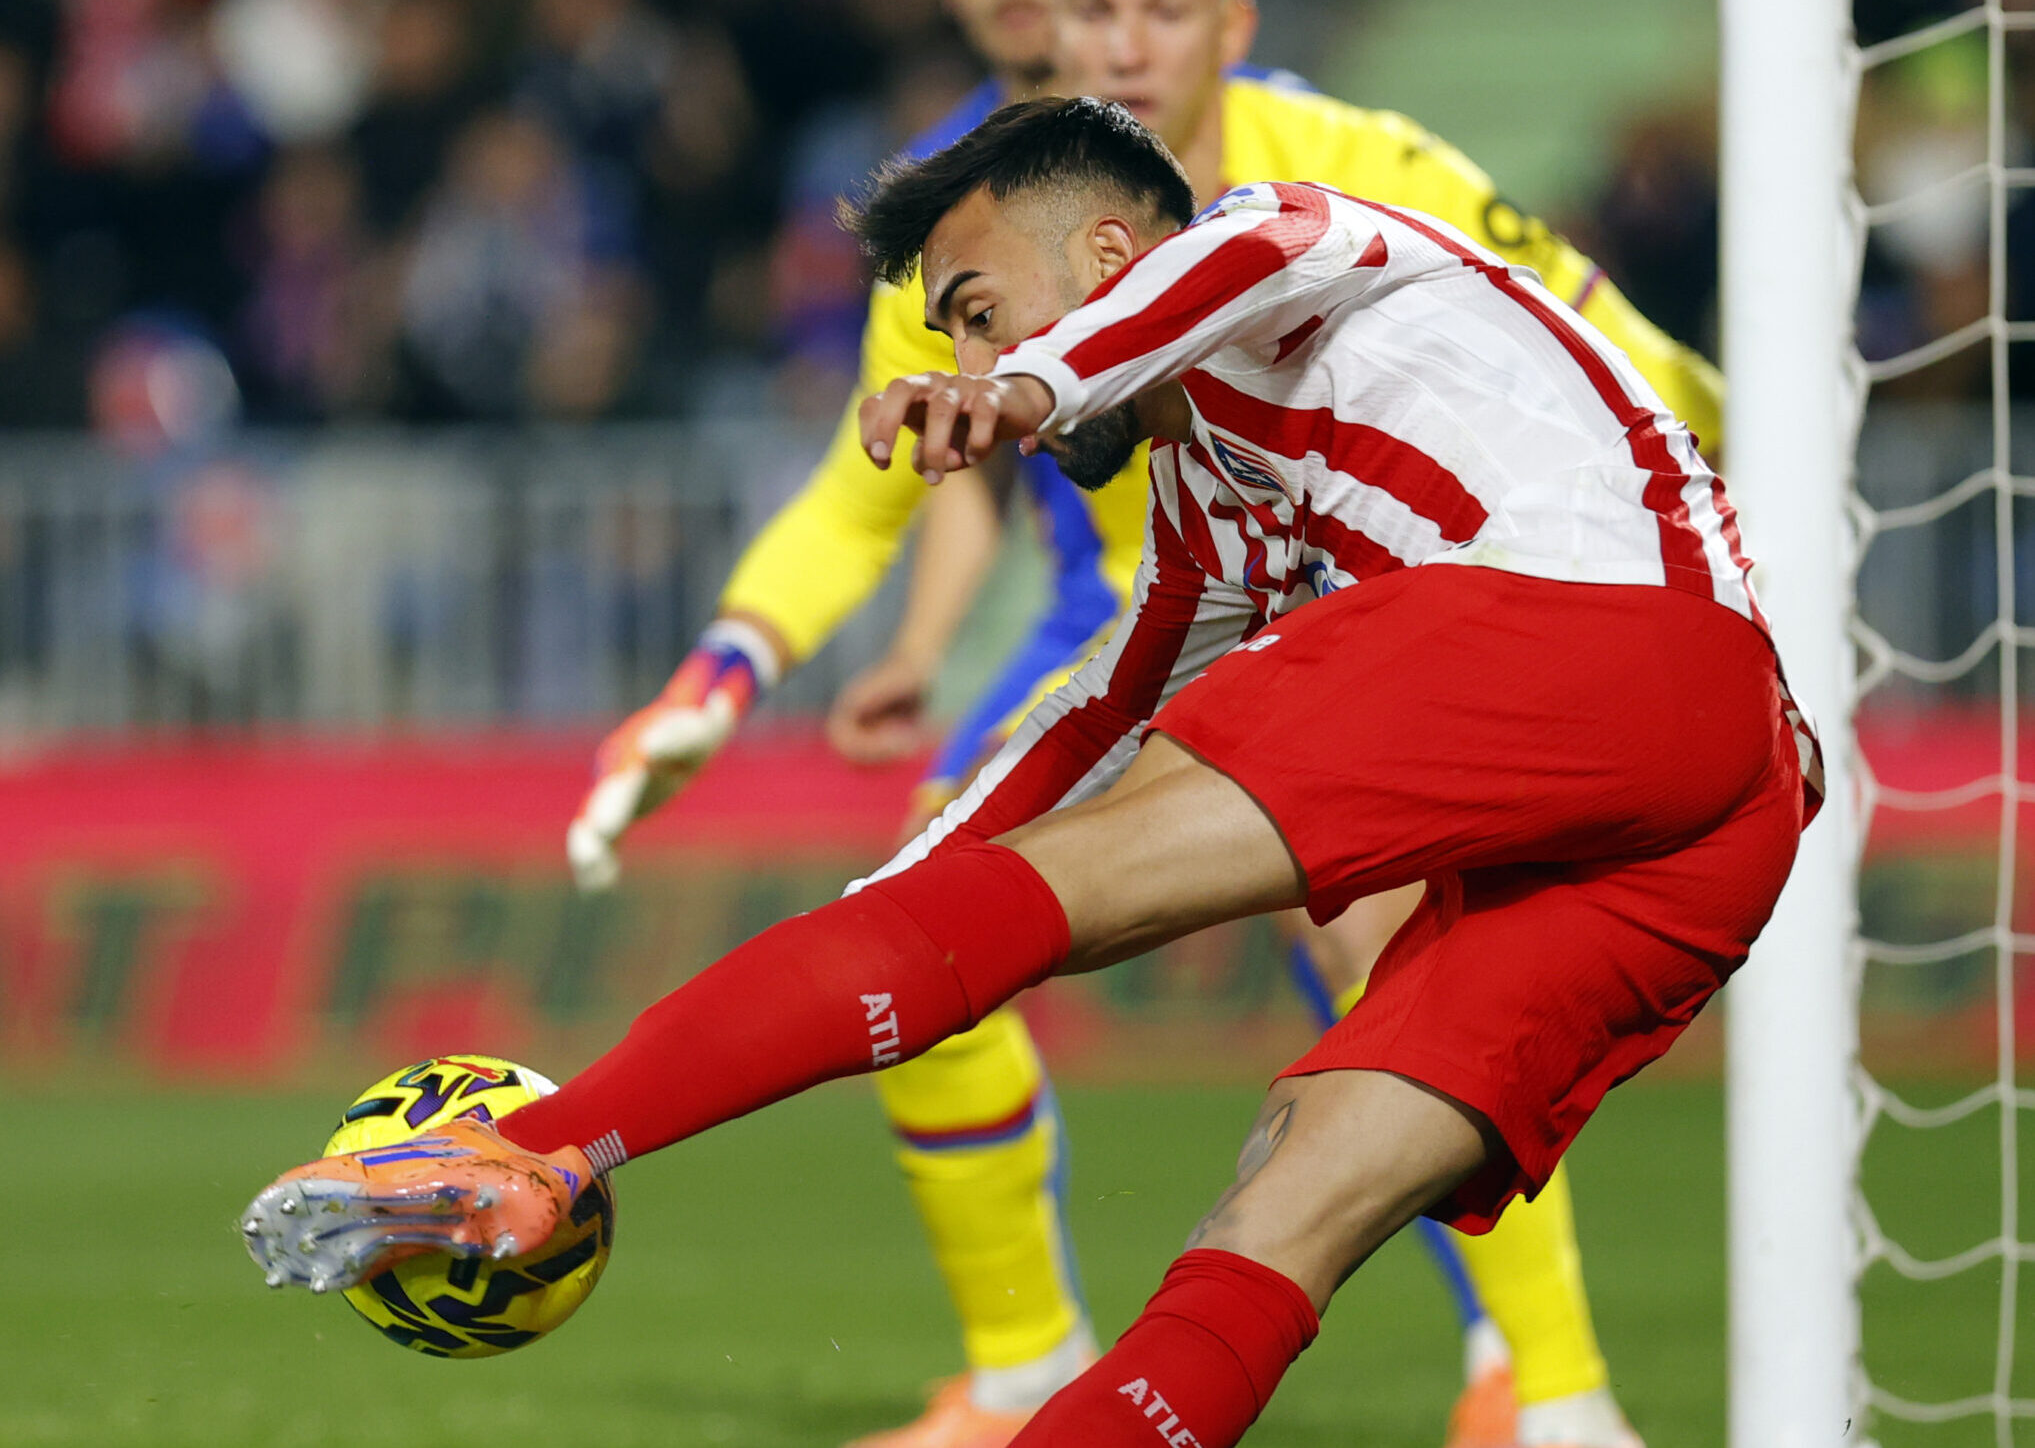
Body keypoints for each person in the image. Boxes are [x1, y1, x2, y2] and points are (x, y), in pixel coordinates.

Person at [247, 98, 1816, 1448]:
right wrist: (885, 916)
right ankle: (554, 1154)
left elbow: (1234, 259)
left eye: (978, 304)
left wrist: (1022, 389)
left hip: (1596, 642)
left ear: (1112, 265)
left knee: (1068, 898)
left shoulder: (1286, 240)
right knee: (1289, 1196)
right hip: (1726, 809)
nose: (968, 346)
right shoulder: (1217, 514)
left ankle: (529, 1146)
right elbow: (1079, 733)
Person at [570, 0, 1723, 1448]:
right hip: (1172, 585)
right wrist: (733, 669)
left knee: (1358, 937)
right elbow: (874, 481)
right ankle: (1030, 1361)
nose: (1115, 39)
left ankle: (1544, 1389)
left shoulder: (1321, 171)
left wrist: (1726, 510)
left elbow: (1584, 335)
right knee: (970, 932)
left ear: (1225, 21)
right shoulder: (972, 205)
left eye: (1159, 7)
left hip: (1422, 602)